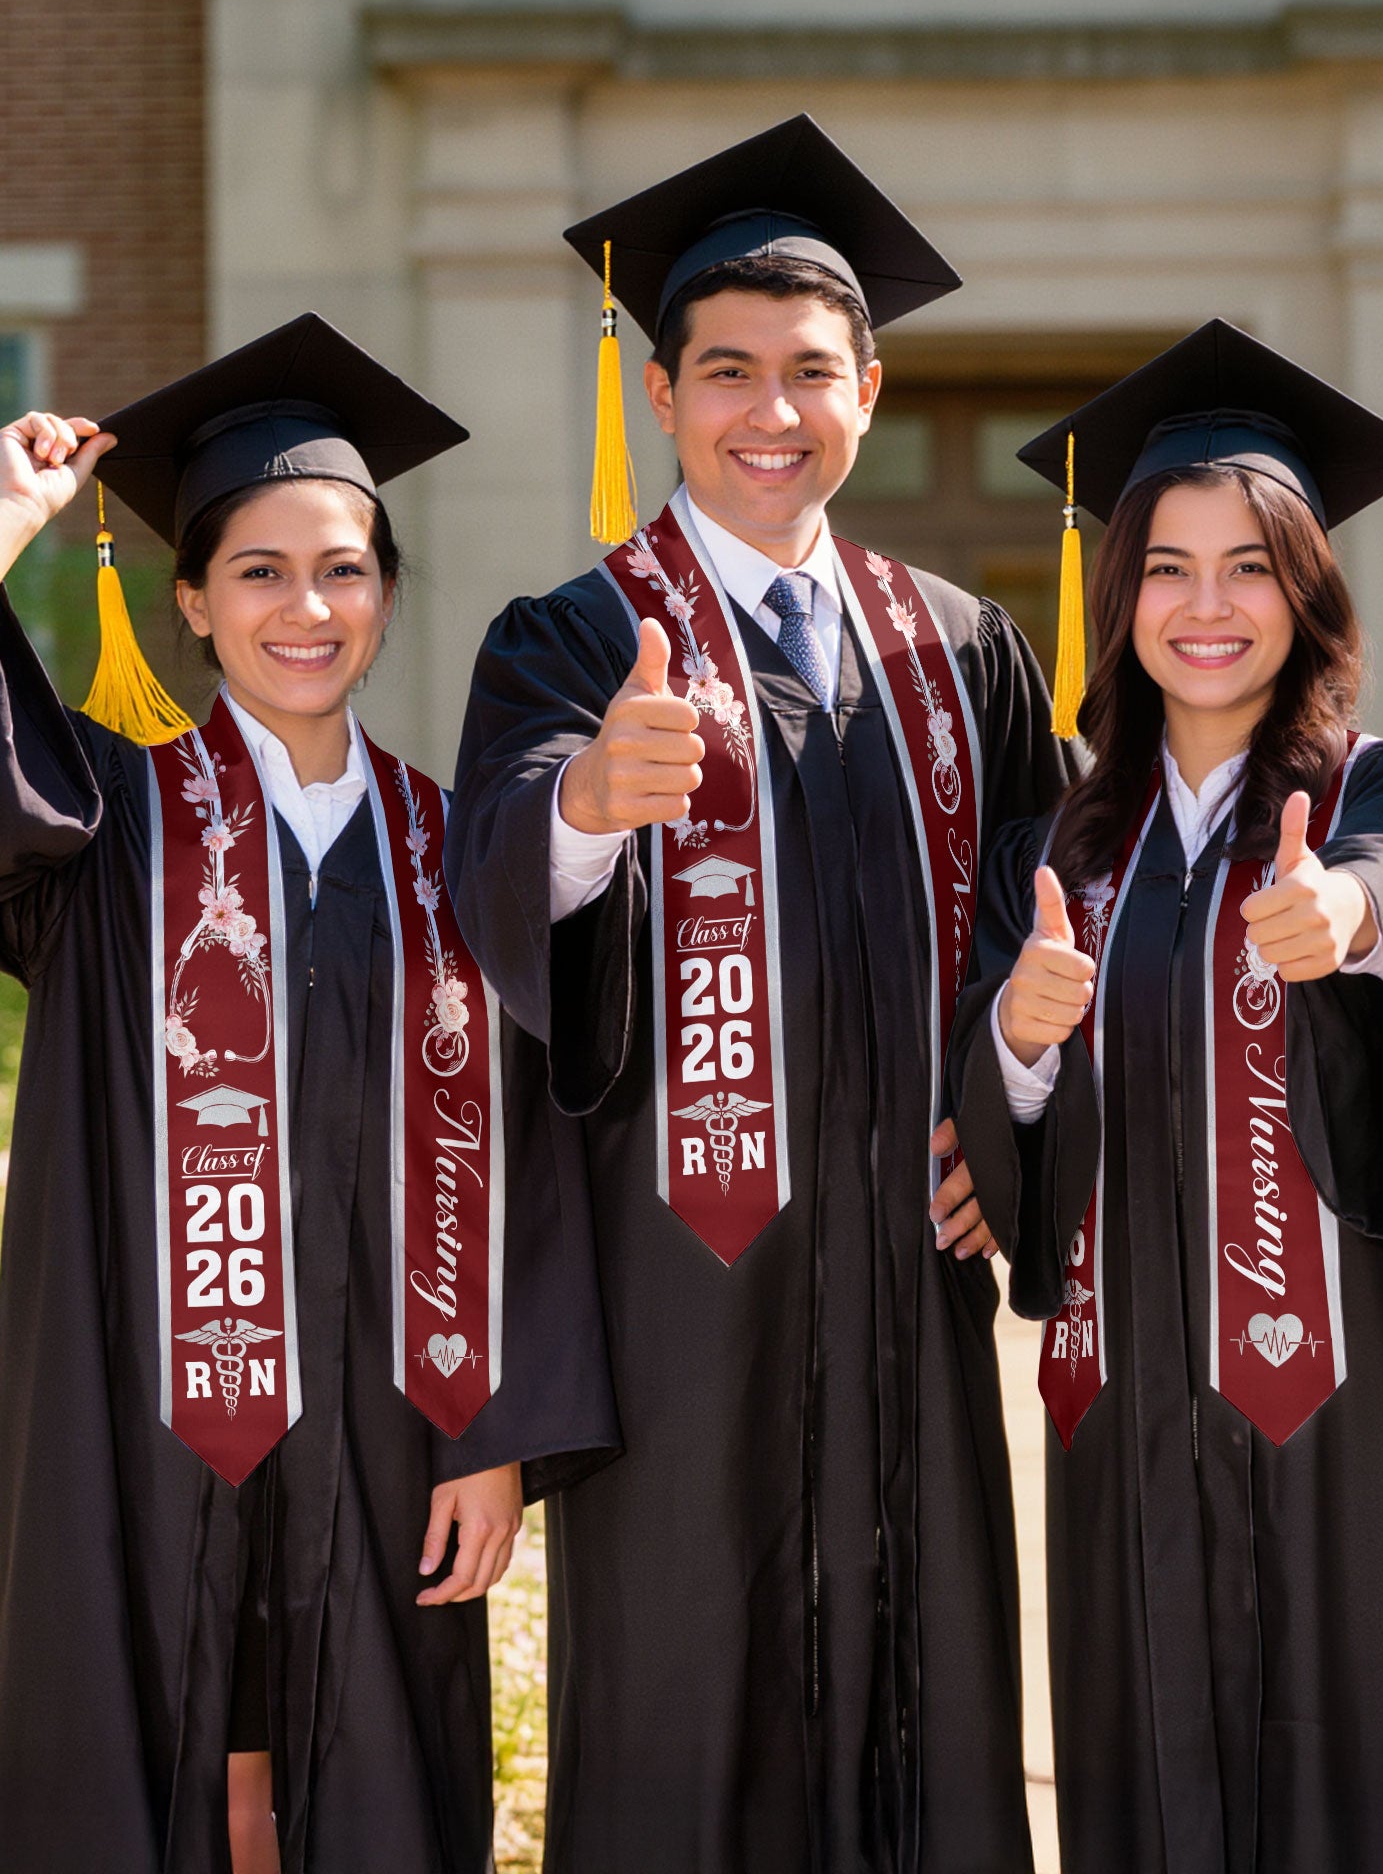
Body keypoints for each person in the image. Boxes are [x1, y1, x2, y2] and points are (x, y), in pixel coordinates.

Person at [446, 115, 1073, 1873]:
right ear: (662, 395)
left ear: (869, 389)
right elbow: (491, 877)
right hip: (681, 1298)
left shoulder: (961, 648)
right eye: (728, 372)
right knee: (685, 1717)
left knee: (928, 1701)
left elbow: (1066, 919)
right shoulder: (572, 638)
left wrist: (1013, 1115)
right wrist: (584, 805)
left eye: (812, 372)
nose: (770, 412)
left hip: (907, 1282)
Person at [0, 314, 617, 1874]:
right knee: (150, 1744)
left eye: (343, 568)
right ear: (190, 600)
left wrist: (499, 1434)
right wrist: (4, 520)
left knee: (373, 1774)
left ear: (386, 593)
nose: (304, 607)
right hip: (143, 1406)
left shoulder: (463, 849)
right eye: (258, 571)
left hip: (397, 1425)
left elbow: (534, 1151)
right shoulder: (103, 828)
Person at [946, 320, 1383, 1873]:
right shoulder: (1052, 854)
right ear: (1118, 594)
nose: (1209, 607)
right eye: (1169, 568)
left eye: (1252, 566)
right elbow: (1001, 1134)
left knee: (1377, 1774)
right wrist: (1016, 1032)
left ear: (1309, 591)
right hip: (1124, 1403)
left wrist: (1350, 921)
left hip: (1355, 1410)